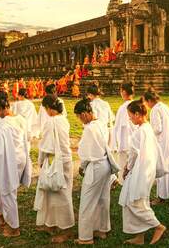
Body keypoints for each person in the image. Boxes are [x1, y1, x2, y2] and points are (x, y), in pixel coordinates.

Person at [119, 100, 166, 245]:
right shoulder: (147, 128)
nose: (130, 119)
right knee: (135, 199)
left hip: (140, 170)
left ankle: (158, 226)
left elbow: (133, 154)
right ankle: (139, 236)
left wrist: (127, 168)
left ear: (138, 114)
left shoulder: (139, 132)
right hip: (146, 170)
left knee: (135, 202)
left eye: (131, 116)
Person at [34, 95, 75, 243]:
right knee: (52, 193)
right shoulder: (63, 119)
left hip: (55, 160)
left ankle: (66, 229)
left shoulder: (51, 122)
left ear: (48, 108)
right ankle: (51, 224)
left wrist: (40, 161)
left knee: (61, 194)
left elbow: (45, 146)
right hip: (65, 159)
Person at [0, 97, 32, 237]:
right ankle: (1, 213)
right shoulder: (21, 119)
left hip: (9, 159)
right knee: (5, 187)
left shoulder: (4, 124)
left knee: (8, 190)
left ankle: (14, 227)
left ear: (0, 109)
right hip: (20, 157)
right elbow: (28, 137)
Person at [73, 98, 113, 245]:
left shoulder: (89, 128)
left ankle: (85, 237)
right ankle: (102, 229)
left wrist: (82, 166)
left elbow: (85, 152)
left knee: (87, 201)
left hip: (95, 165)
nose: (79, 120)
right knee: (103, 198)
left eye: (78, 117)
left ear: (84, 114)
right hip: (105, 164)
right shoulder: (101, 123)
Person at [144, 89, 169, 203]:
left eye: (146, 103)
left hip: (164, 143)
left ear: (149, 101)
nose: (146, 106)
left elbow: (157, 128)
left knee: (163, 168)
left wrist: (147, 130)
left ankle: (162, 196)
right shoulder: (164, 106)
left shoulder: (155, 110)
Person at [111, 82, 136, 184]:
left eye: (121, 91)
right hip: (134, 140)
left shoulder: (123, 108)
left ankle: (124, 181)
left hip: (125, 139)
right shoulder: (136, 105)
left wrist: (115, 142)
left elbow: (118, 126)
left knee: (124, 162)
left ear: (124, 92)